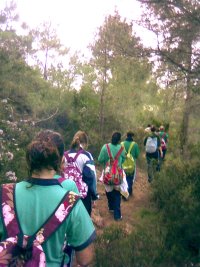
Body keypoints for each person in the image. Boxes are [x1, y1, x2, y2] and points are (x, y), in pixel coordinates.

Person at [0, 130, 96, 266]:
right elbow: (85, 258)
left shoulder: (4, 193)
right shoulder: (70, 201)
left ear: (30, 158)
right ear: (62, 159)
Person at [63, 130, 99, 216]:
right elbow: (91, 177)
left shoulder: (64, 155)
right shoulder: (86, 156)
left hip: (66, 195)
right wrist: (94, 195)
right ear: (85, 143)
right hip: (83, 196)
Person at [98, 131, 126, 221]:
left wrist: (107, 163)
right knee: (117, 193)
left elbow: (99, 159)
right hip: (118, 175)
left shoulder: (105, 147)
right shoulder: (121, 148)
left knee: (109, 191)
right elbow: (124, 159)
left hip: (107, 174)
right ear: (119, 140)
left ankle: (111, 207)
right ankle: (117, 216)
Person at [121, 131, 140, 196]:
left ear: (126, 136)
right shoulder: (135, 144)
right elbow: (137, 155)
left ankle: (124, 192)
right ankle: (129, 191)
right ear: (132, 136)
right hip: (132, 165)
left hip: (123, 164)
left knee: (123, 178)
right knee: (130, 178)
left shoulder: (122, 144)